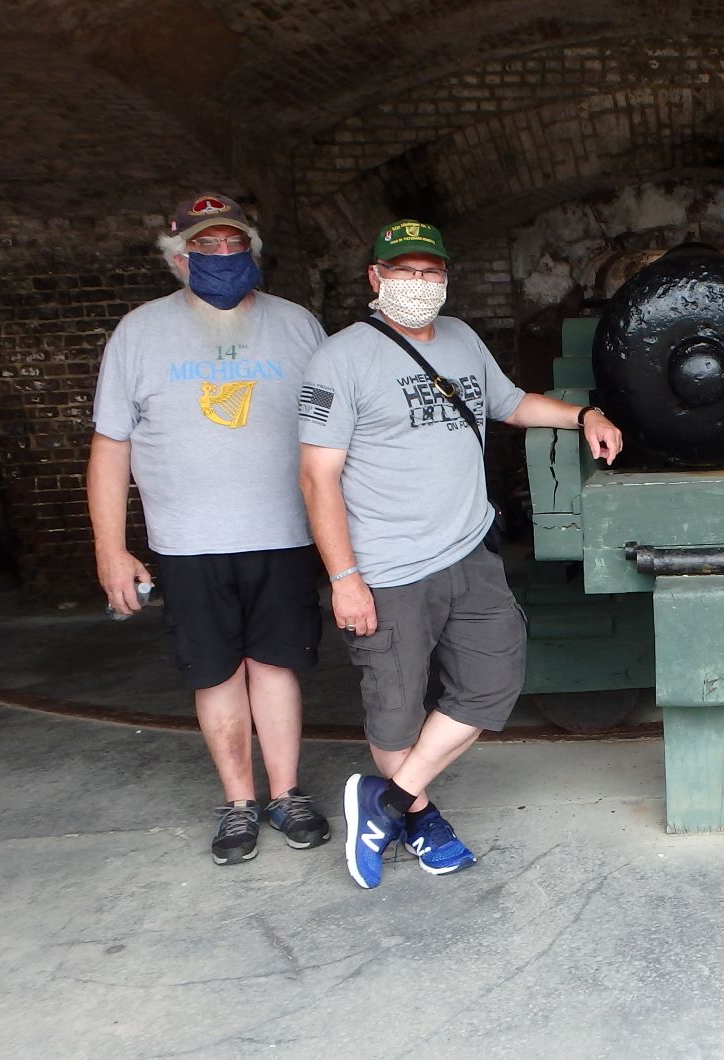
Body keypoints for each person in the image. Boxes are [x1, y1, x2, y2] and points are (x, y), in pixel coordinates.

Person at [298, 219, 622, 890]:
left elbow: (510, 404)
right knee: (395, 711)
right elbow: (316, 476)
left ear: (445, 278)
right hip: (385, 567)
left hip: (468, 554)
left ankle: (385, 802)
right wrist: (344, 578)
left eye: (429, 272)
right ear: (375, 278)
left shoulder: (463, 339)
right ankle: (420, 819)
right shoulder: (340, 358)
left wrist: (584, 415)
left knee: (491, 683)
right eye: (404, 271)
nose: (417, 284)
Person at [88, 193, 332, 866]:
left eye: (234, 245)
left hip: (283, 532)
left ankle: (286, 794)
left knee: (277, 666)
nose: (222, 257)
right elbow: (110, 447)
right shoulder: (139, 333)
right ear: (177, 259)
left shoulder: (298, 326)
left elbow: (335, 434)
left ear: (251, 252)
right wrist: (112, 550)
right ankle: (239, 803)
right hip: (188, 541)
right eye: (206, 247)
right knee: (215, 672)